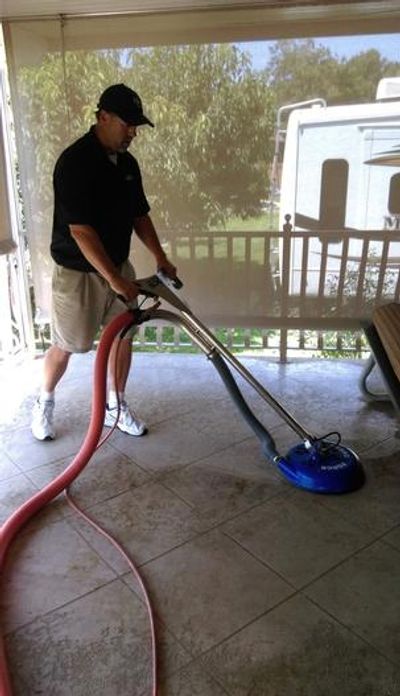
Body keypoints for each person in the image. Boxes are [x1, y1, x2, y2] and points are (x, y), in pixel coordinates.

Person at [31, 83, 177, 441]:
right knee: (68, 345)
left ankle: (116, 403)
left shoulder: (127, 165)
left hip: (117, 266)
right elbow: (81, 231)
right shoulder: (74, 162)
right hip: (78, 274)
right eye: (127, 124)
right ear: (103, 117)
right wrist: (114, 279)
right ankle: (44, 402)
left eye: (136, 126)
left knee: (123, 337)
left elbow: (139, 216)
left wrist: (160, 256)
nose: (133, 132)